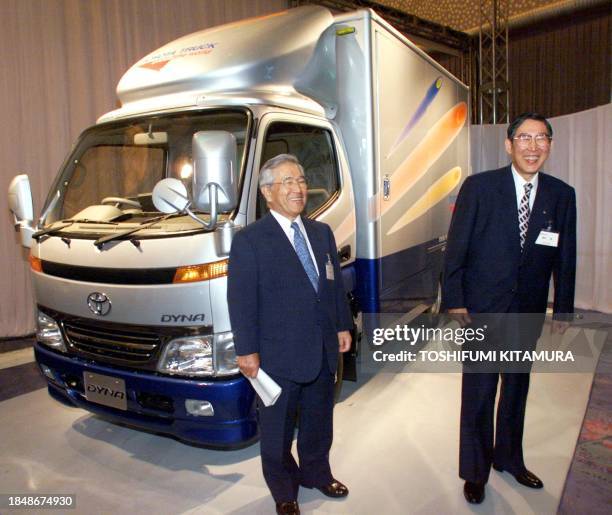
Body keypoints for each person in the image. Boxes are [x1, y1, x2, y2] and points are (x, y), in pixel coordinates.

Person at [442, 112, 576, 504]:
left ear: (550, 145)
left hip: (528, 312)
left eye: (541, 139)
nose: (533, 147)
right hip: (482, 310)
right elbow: (456, 250)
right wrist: (454, 300)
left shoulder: (561, 194)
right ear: (508, 144)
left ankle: (509, 460)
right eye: (524, 138)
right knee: (480, 393)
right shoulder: (480, 188)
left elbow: (564, 257)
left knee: (516, 389)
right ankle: (475, 472)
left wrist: (563, 309)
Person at [227, 153, 353, 515]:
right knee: (278, 431)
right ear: (267, 192)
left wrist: (342, 325)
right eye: (287, 182)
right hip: (276, 355)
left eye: (300, 180)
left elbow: (333, 285)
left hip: (321, 348)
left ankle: (317, 473)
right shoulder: (250, 240)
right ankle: (284, 490)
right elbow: (241, 300)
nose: (298, 189)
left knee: (319, 421)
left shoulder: (321, 232)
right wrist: (246, 350)